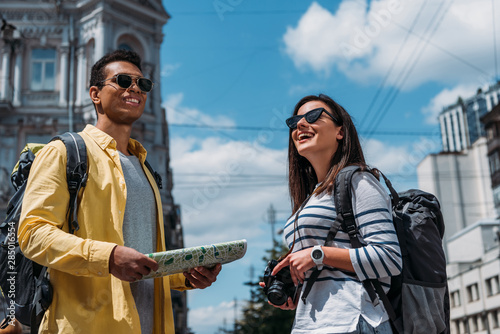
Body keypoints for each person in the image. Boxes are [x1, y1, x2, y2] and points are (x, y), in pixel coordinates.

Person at [18, 49, 221, 334]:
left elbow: (146, 258)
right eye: (123, 80)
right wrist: (108, 257)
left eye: (143, 83)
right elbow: (33, 234)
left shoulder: (146, 170)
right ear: (95, 94)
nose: (135, 87)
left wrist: (186, 274)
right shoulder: (64, 152)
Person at [264, 94, 402, 333]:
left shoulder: (359, 180)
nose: (300, 125)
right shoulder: (311, 196)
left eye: (313, 116)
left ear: (340, 131)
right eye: (294, 121)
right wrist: (295, 288)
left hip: (352, 321)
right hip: (311, 325)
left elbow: (389, 257)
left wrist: (318, 254)